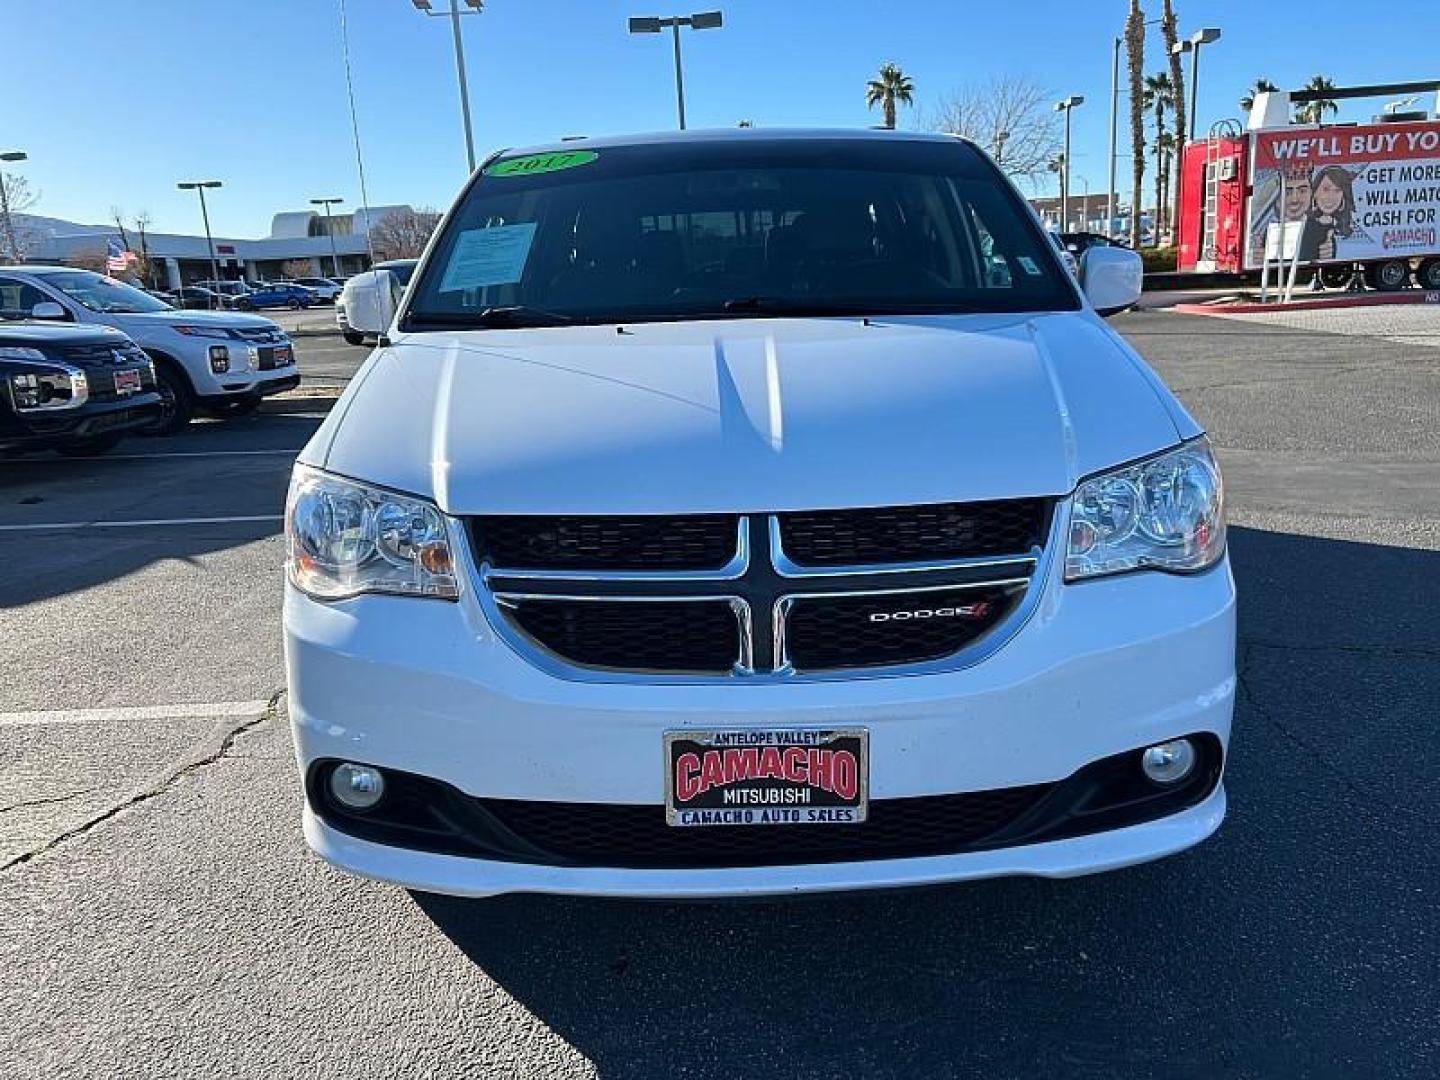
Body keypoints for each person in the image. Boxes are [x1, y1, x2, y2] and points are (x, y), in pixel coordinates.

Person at [1298, 165, 1355, 263]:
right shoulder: (1305, 226)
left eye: (1337, 190)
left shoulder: (1344, 228)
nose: (1331, 197)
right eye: (1326, 189)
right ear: (1315, 193)